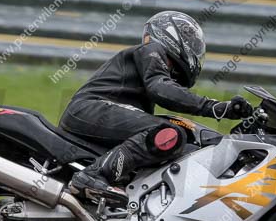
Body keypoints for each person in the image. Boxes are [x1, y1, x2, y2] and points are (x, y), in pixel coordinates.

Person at [60, 11, 253, 203]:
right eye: (192, 43)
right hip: (90, 109)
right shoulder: (152, 49)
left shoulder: (150, 64)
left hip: (93, 112)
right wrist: (214, 107)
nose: (195, 50)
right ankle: (92, 176)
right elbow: (160, 88)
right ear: (171, 35)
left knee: (172, 136)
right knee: (169, 134)